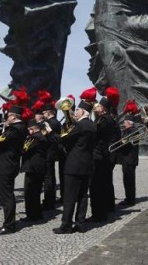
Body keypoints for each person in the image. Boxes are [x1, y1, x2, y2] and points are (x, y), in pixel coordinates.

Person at [53, 96, 96, 234]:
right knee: (83, 196)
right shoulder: (92, 126)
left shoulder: (79, 125)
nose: (75, 112)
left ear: (83, 112)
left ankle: (66, 226)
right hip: (87, 164)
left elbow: (63, 138)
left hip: (74, 164)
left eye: (77, 110)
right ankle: (80, 224)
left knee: (70, 197)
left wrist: (50, 133)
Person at [0, 104, 27, 235]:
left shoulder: (15, 129)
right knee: (6, 195)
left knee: (7, 197)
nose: (6, 118)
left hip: (6, 165)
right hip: (8, 164)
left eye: (8, 116)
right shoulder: (17, 128)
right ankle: (8, 223)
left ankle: (9, 225)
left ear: (13, 116)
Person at [21, 118, 48, 222]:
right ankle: (37, 214)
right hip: (39, 167)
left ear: (32, 129)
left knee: (29, 193)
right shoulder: (41, 136)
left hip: (33, 168)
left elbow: (24, 150)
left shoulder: (35, 138)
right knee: (35, 192)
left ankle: (32, 215)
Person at [116, 100, 141, 206]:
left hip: (130, 159)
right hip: (126, 159)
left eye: (125, 122)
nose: (123, 123)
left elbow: (126, 142)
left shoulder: (133, 131)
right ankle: (129, 198)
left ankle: (130, 199)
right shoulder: (127, 130)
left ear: (129, 123)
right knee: (127, 180)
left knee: (129, 180)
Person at [42, 100, 63, 210]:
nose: (43, 115)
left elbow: (47, 137)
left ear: (49, 113)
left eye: (44, 112)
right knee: (50, 177)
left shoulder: (52, 123)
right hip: (50, 152)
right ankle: (50, 199)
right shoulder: (54, 122)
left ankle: (49, 201)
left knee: (48, 178)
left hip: (49, 152)